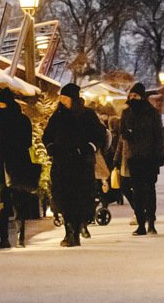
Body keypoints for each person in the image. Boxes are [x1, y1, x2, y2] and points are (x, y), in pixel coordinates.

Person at [42, 83, 107, 247]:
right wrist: (51, 147)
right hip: (61, 163)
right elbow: (47, 135)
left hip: (81, 163)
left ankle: (75, 231)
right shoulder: (57, 116)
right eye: (61, 98)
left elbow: (100, 134)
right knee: (63, 197)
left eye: (65, 98)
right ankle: (69, 231)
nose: (62, 101)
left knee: (79, 197)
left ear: (73, 99)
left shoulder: (87, 115)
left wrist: (90, 147)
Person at [0, 88, 39, 248]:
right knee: (19, 201)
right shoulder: (23, 120)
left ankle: (4, 239)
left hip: (0, 164)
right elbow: (28, 143)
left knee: (2, 201)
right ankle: (20, 238)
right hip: (20, 162)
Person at [120, 82, 164, 235]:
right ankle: (141, 223)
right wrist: (127, 133)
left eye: (135, 96)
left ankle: (151, 221)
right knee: (137, 191)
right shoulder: (126, 113)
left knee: (150, 190)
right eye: (130, 96)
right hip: (134, 157)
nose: (132, 98)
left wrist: (159, 157)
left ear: (142, 97)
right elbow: (122, 132)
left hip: (150, 157)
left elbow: (159, 136)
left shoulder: (152, 113)